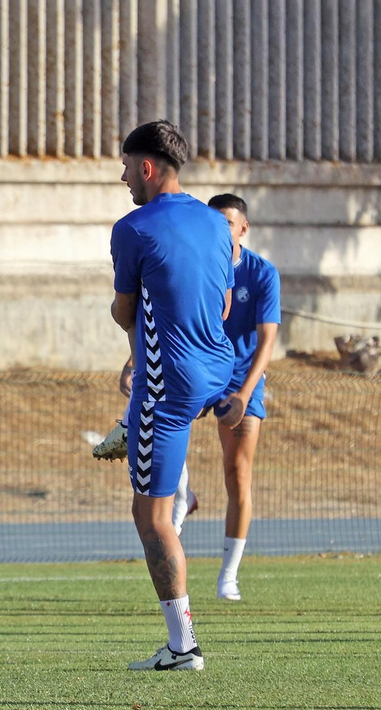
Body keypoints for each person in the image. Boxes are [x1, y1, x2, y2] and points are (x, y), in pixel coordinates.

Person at [108, 120, 236, 672]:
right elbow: (224, 304)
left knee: (152, 516)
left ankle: (183, 646)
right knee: (156, 484)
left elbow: (124, 311)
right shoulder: (215, 222)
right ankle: (136, 430)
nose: (123, 178)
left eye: (125, 167)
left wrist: (140, 336)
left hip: (168, 383)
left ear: (147, 167)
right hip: (216, 368)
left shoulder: (133, 227)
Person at [204, 194, 281, 602]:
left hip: (240, 384)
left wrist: (244, 394)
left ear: (243, 228)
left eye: (228, 224)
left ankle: (228, 574)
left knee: (237, 472)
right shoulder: (198, 268)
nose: (220, 232)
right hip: (198, 375)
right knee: (158, 442)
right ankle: (182, 497)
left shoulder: (262, 273)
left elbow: (267, 341)